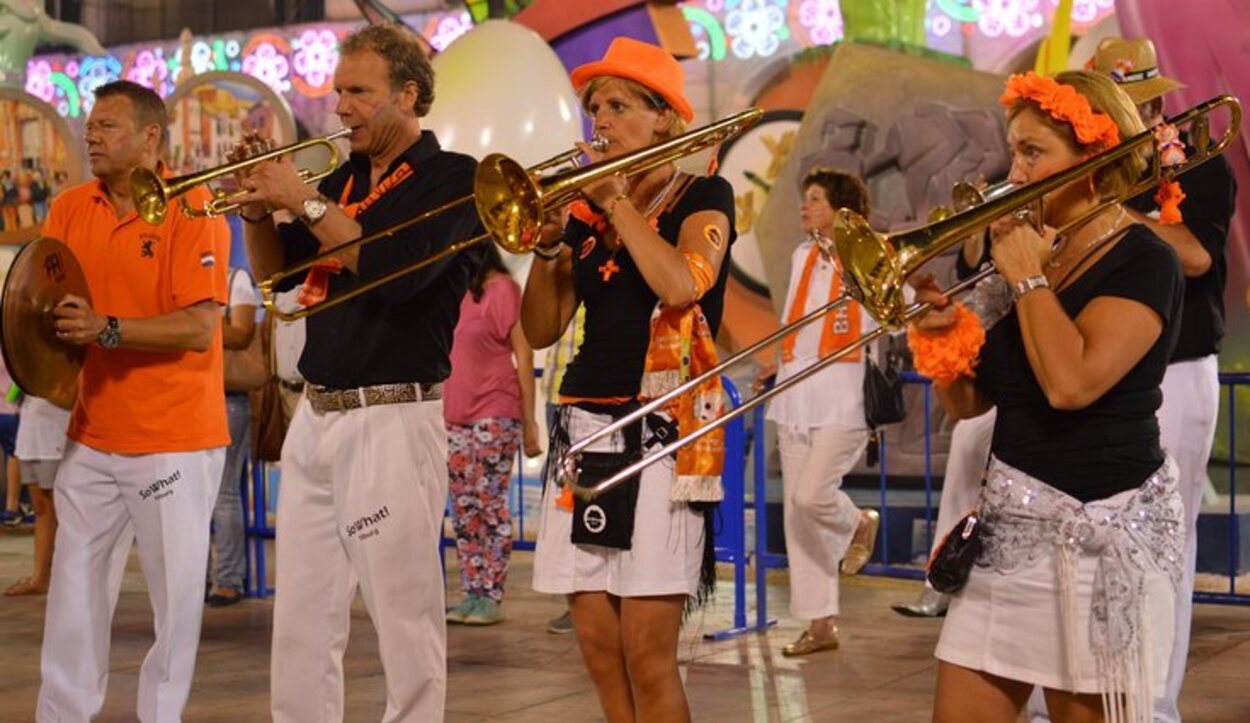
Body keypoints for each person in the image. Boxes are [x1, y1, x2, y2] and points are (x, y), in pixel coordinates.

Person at [912, 70, 1186, 723]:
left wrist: (1028, 275)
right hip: (1009, 539)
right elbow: (971, 403)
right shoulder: (1030, 252)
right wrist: (942, 335)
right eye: (1015, 150)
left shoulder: (1145, 259)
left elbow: (1072, 383)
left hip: (1100, 544)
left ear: (1093, 159)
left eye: (1034, 152)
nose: (1015, 169)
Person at [234, 22, 481, 722]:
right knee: (302, 620)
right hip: (317, 418)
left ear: (408, 95)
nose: (339, 106)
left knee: (404, 620)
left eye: (357, 92)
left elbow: (397, 274)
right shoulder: (344, 176)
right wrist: (257, 206)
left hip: (392, 421)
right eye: (337, 90)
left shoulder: (454, 177)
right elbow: (278, 273)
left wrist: (304, 199)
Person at [523, 37, 735, 722]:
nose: (601, 122)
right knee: (597, 643)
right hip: (585, 429)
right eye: (595, 109)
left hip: (663, 431)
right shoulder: (583, 214)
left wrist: (617, 203)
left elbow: (681, 284)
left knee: (648, 652)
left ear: (664, 118)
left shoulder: (704, 193)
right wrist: (551, 240)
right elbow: (541, 326)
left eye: (618, 106)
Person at [37, 79, 230, 722]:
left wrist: (107, 329)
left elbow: (200, 327)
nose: (92, 135)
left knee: (173, 606)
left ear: (152, 137)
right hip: (92, 431)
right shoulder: (69, 206)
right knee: (72, 594)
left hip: (173, 440)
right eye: (91, 125)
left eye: (109, 126)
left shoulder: (192, 205)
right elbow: (43, 302)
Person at [759, 167, 880, 656]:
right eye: (805, 199)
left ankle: (856, 523)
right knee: (796, 512)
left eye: (814, 199)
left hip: (844, 391)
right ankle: (820, 623)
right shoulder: (801, 254)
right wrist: (775, 361)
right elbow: (799, 321)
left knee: (812, 498)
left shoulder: (869, 251)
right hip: (795, 389)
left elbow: (897, 308)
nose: (804, 207)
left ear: (839, 206)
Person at [443, 242, 541, 626]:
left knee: (489, 502)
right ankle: (471, 592)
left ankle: (491, 594)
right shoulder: (455, 293)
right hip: (455, 413)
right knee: (464, 509)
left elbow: (524, 354)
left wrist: (529, 421)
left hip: (494, 410)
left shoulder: (502, 289)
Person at [206, 266, 260, 607]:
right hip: (192, 397)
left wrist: (192, 320)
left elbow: (241, 333)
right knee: (195, 497)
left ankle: (228, 578)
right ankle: (199, 576)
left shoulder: (234, 279)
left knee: (224, 493)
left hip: (227, 398)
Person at [3, 395, 70, 596]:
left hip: (56, 435)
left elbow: (72, 396)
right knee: (41, 509)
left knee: (65, 512)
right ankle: (40, 579)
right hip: (30, 437)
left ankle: (70, 579)